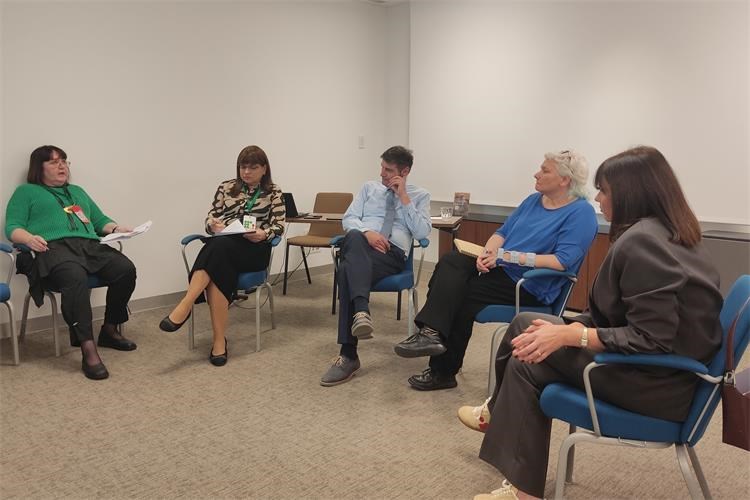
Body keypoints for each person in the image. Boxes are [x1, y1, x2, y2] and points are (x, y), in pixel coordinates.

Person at [459, 146, 723, 500]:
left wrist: (575, 335)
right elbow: (623, 315)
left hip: (656, 383)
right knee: (527, 323)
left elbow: (651, 339)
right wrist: (567, 330)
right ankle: (497, 417)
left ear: (631, 194)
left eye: (604, 191)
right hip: (663, 372)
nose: (598, 199)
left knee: (527, 359)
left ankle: (522, 487)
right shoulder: (673, 233)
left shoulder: (645, 243)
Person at [394, 150, 598, 391]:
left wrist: (508, 257)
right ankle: (431, 333)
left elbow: (562, 261)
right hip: (502, 270)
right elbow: (502, 233)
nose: (536, 174)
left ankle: (442, 368)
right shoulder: (533, 201)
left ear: (565, 180)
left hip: (530, 285)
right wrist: (488, 253)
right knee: (451, 261)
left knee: (460, 293)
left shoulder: (582, 213)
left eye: (544, 170)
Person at [5, 145, 138, 380]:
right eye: (53, 162)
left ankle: (109, 329)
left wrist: (117, 228)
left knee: (125, 270)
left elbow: (99, 220)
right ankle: (88, 349)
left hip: (88, 247)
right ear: (38, 168)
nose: (62, 166)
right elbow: (12, 227)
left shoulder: (77, 191)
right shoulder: (26, 192)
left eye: (64, 161)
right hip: (54, 249)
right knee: (75, 278)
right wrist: (29, 239)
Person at [159, 145, 284, 366]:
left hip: (253, 249)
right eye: (243, 167)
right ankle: (218, 341)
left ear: (264, 168)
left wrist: (264, 233)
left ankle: (187, 303)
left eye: (253, 167)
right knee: (219, 252)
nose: (246, 172)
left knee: (217, 248)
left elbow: (279, 225)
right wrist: (212, 225)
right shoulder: (226, 187)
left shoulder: (274, 191)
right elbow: (211, 217)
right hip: (225, 245)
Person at [320, 145, 431, 386]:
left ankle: (348, 355)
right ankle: (361, 311)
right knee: (353, 237)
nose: (382, 173)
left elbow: (422, 232)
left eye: (388, 170)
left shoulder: (420, 195)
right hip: (361, 245)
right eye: (381, 167)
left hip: (391, 255)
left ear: (404, 172)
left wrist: (404, 198)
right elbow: (349, 219)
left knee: (347, 269)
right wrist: (367, 233)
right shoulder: (368, 188)